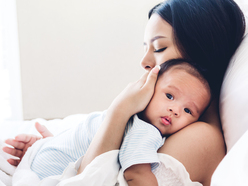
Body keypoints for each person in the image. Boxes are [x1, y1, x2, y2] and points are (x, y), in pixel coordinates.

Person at [3, 0, 246, 185]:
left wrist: (119, 110)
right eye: (145, 47)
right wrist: (55, 150)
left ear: (200, 53)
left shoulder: (200, 137)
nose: (144, 61)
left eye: (159, 47)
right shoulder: (162, 118)